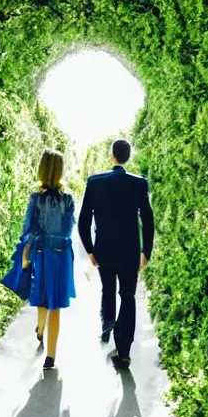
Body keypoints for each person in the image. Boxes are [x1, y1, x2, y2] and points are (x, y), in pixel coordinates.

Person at [78, 139, 154, 370]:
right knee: (128, 296)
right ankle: (123, 352)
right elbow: (148, 220)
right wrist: (146, 251)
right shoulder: (139, 184)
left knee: (108, 288)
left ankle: (107, 325)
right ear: (127, 157)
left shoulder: (95, 182)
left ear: (112, 156)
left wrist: (90, 249)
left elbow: (83, 221)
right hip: (130, 251)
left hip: (104, 250)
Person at [3, 149, 77, 370]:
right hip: (61, 255)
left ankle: (40, 329)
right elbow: (68, 229)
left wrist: (28, 248)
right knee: (56, 305)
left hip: (42, 253)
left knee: (42, 295)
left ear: (42, 168)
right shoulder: (69, 200)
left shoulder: (35, 199)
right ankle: (50, 357)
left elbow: (28, 230)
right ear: (60, 171)